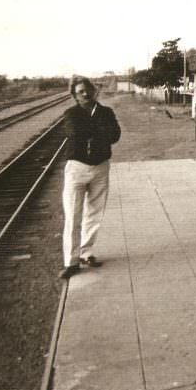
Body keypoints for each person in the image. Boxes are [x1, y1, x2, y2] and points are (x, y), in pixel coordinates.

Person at [60, 76, 121, 279]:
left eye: (87, 90)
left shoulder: (106, 112)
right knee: (73, 215)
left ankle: (86, 253)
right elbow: (74, 133)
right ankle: (71, 261)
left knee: (94, 213)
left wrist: (95, 133)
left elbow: (115, 135)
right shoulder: (71, 114)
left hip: (100, 167)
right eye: (80, 92)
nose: (85, 94)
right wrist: (100, 131)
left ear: (93, 90)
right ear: (74, 96)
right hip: (77, 168)